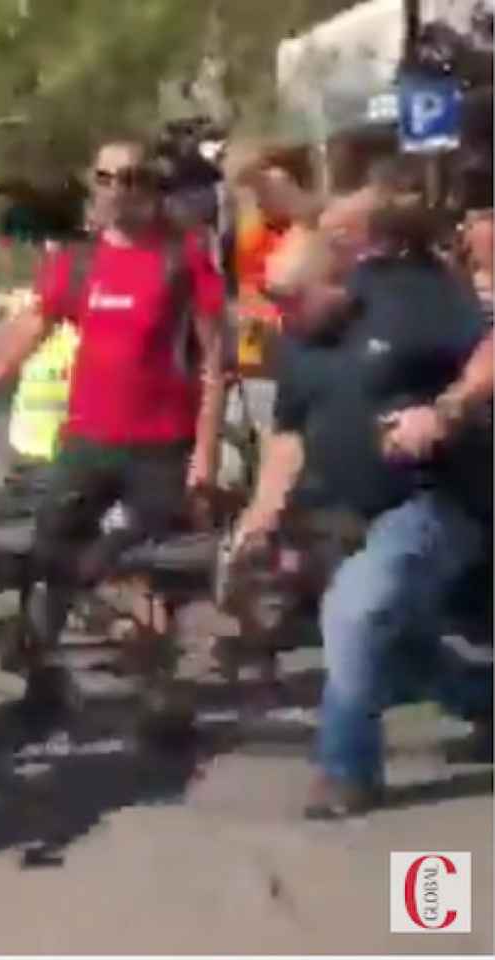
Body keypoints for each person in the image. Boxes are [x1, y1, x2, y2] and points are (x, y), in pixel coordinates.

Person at [0, 139, 228, 715]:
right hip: (87, 442)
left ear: (152, 189)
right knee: (49, 562)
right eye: (108, 178)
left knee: (144, 572)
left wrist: (206, 456)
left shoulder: (183, 258)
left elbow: (216, 365)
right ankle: (42, 686)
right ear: (94, 185)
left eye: (135, 179)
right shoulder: (74, 261)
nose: (120, 190)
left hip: (160, 445)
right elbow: (25, 336)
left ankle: (159, 697)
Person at [234, 193, 493, 819]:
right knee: (388, 641)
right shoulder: (296, 344)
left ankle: (347, 771)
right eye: (273, 301)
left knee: (354, 611)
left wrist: (446, 409)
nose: (280, 315)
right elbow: (289, 433)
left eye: (293, 300)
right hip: (353, 517)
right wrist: (263, 511)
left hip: (438, 502)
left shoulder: (410, 305)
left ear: (338, 281)